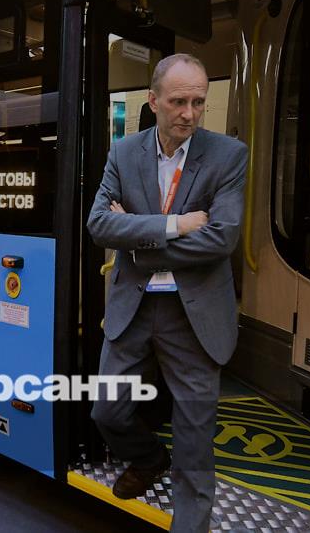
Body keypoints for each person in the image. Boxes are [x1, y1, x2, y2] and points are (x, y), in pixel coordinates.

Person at [87, 53, 248, 533]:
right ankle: (149, 457)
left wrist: (137, 243)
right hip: (133, 306)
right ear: (153, 101)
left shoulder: (228, 155)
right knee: (107, 411)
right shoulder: (123, 153)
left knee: (195, 433)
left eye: (199, 101)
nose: (190, 113)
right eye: (178, 102)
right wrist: (175, 225)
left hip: (193, 312)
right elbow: (99, 225)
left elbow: (222, 238)